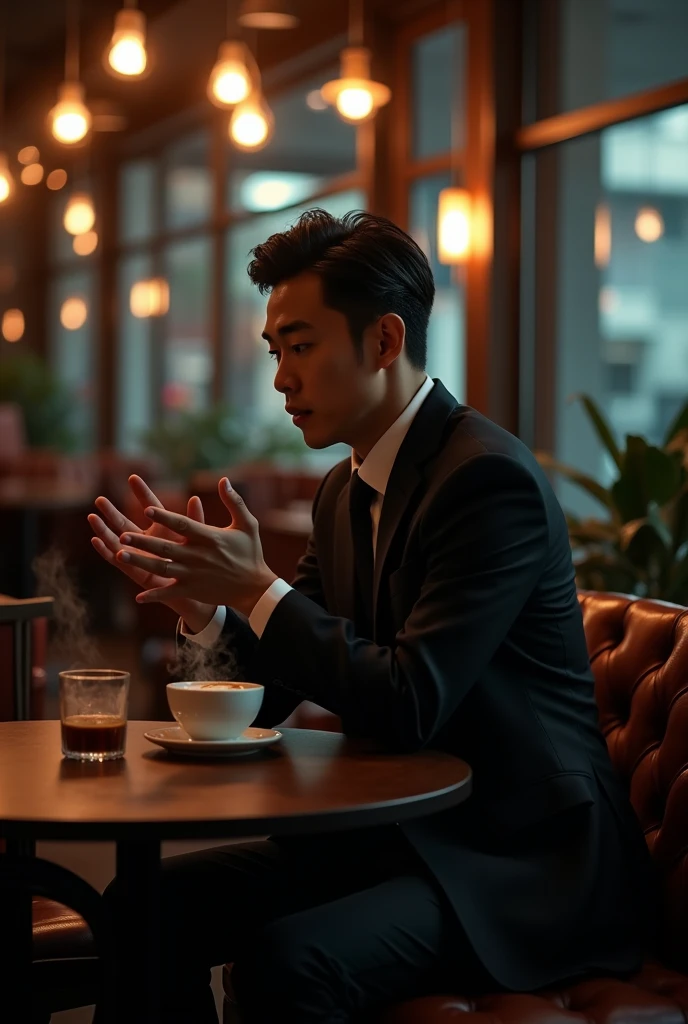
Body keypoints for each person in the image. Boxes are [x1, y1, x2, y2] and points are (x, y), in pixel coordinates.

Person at [90, 210, 655, 1023]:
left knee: (291, 962)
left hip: (521, 862)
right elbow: (273, 690)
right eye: (275, 351)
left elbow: (412, 700)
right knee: (143, 903)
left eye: (302, 345)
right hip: (406, 835)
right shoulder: (342, 491)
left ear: (384, 342)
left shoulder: (487, 482)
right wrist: (205, 612)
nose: (282, 377)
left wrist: (256, 591)